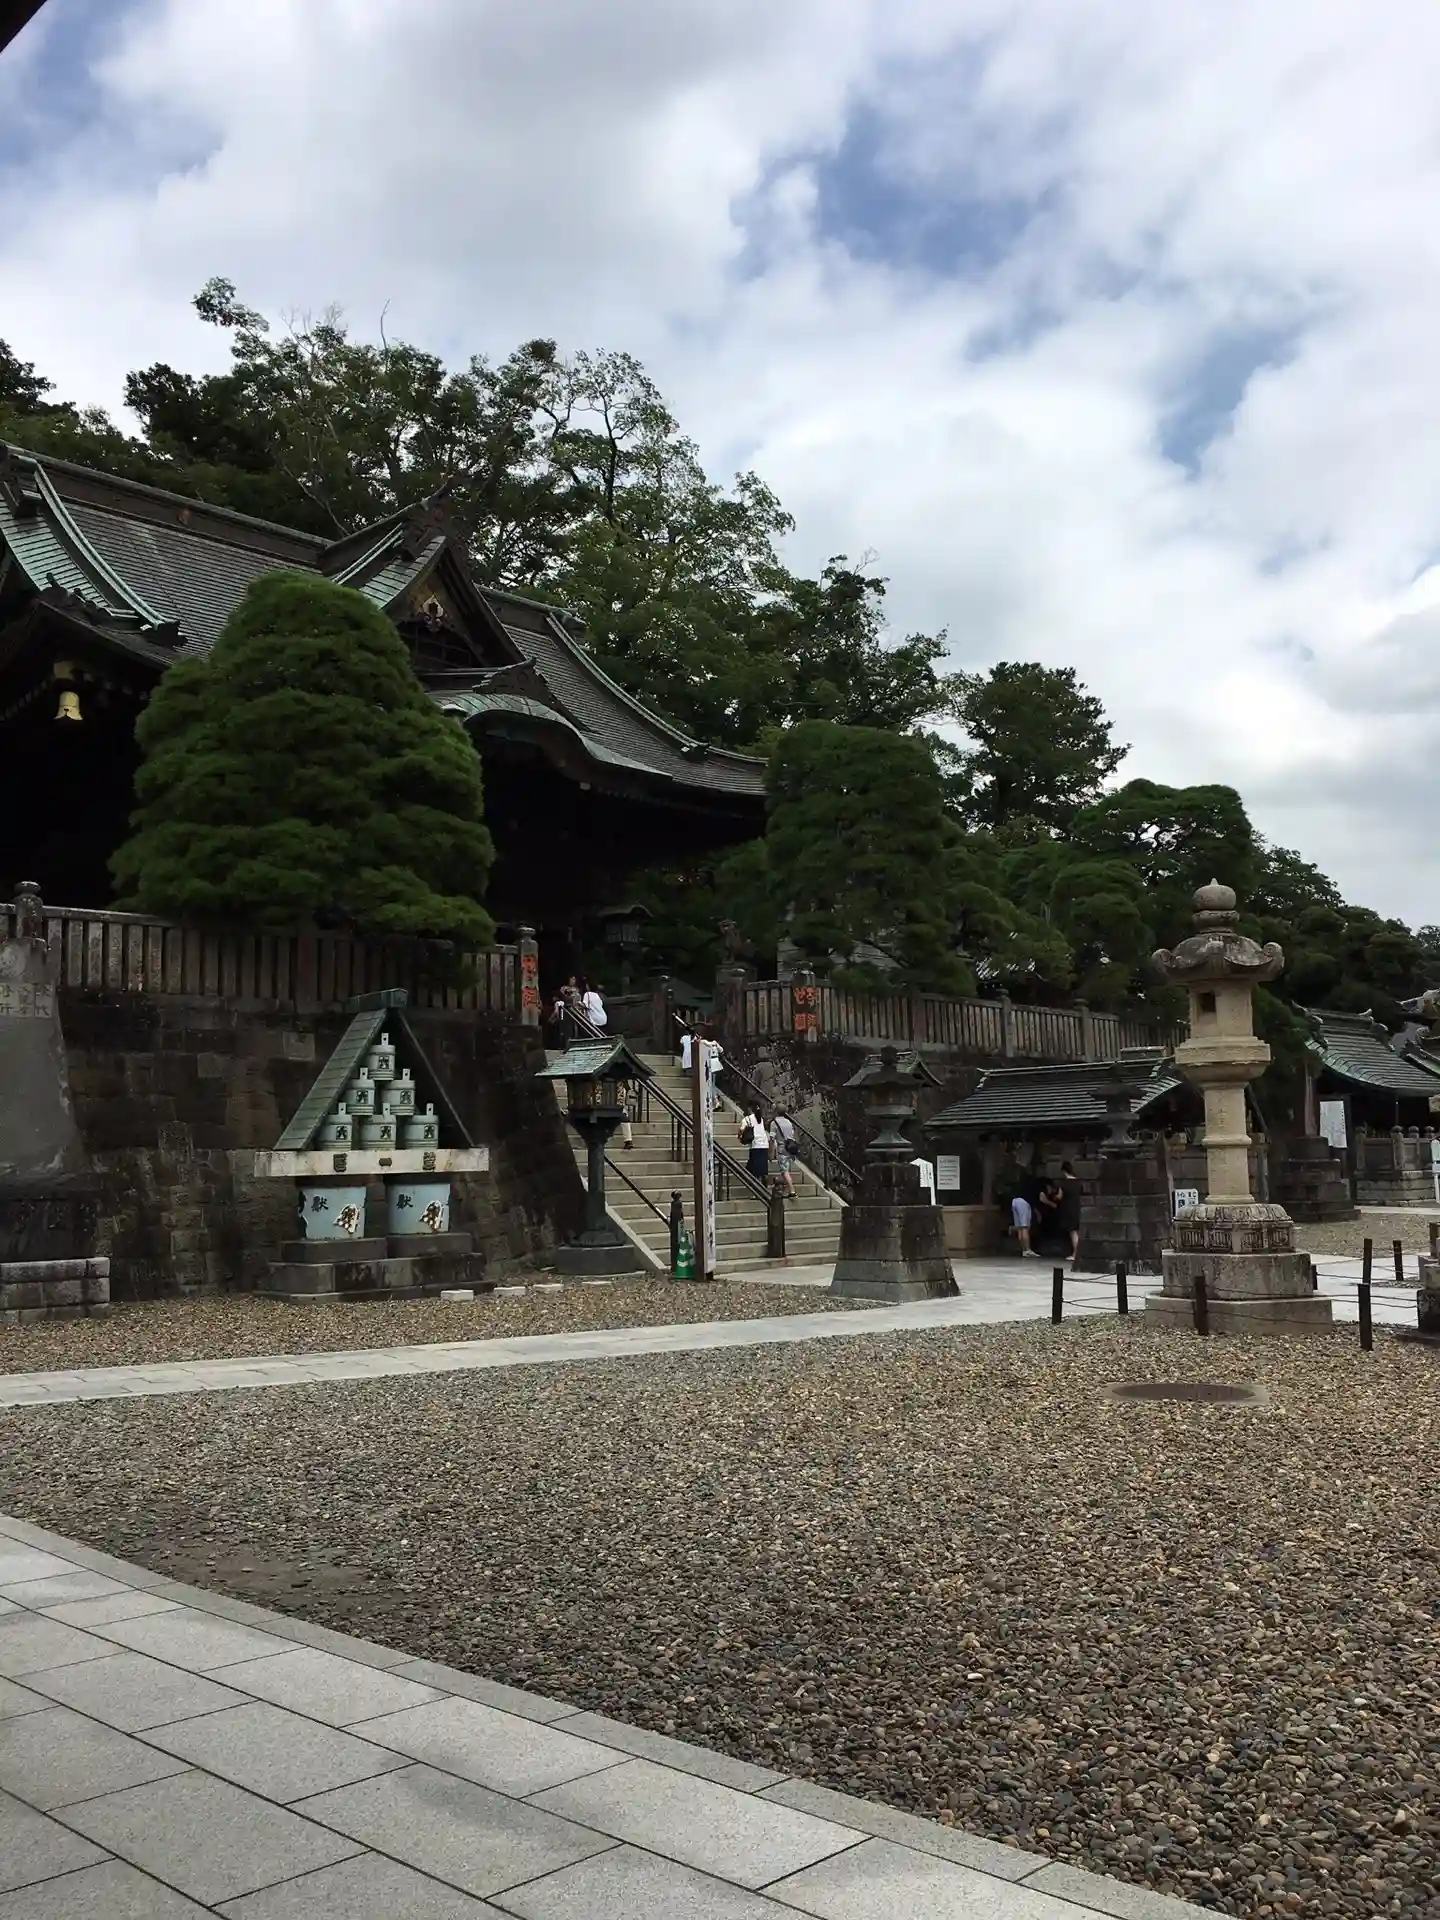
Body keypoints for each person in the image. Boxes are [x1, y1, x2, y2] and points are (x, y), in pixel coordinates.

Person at [1057, 1160, 1083, 1263]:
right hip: (1077, 1207)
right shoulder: (1078, 1182)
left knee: (1073, 1232)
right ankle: (1078, 1253)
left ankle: (1075, 1254)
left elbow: (1059, 1196)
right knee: (1077, 1231)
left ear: (1064, 1171)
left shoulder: (1064, 1183)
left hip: (1068, 1209)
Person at [771, 1106, 798, 1198]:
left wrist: (771, 1152)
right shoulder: (788, 1122)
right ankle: (784, 1189)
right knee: (787, 1169)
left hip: (782, 1149)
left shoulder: (774, 1123)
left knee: (784, 1171)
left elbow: (772, 1138)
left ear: (776, 1112)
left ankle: (792, 1191)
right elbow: (792, 1135)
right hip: (790, 1149)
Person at [739, 1106, 769, 1183]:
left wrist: (740, 1136)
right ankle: (763, 1179)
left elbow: (741, 1129)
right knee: (762, 1165)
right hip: (764, 1144)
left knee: (755, 1166)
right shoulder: (760, 1118)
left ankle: (756, 1181)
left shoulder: (747, 1119)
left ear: (749, 1108)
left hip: (755, 1145)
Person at [1010, 1190, 1037, 1258]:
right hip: (1023, 1202)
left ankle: (1024, 1250)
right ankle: (1027, 1250)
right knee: (1025, 1227)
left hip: (1014, 1201)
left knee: (1019, 1228)